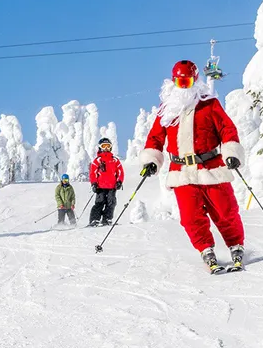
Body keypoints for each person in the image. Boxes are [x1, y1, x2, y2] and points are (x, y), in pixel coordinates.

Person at [139, 60, 246, 273]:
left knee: (225, 211)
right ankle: (206, 250)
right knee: (190, 217)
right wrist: (152, 160)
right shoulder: (167, 110)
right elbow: (155, 138)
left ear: (195, 81)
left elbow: (227, 129)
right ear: (174, 82)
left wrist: (231, 152)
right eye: (181, 82)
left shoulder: (209, 104)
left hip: (211, 168)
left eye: (188, 81)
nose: (184, 86)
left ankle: (235, 245)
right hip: (182, 173)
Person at [88, 138, 125, 227]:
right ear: (100, 147)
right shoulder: (98, 160)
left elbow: (120, 171)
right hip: (100, 187)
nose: (106, 148)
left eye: (108, 146)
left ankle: (107, 219)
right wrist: (94, 183)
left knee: (111, 203)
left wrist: (119, 181)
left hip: (112, 187)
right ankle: (94, 220)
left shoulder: (115, 160)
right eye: (104, 146)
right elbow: (93, 173)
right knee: (99, 203)